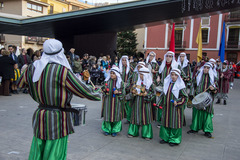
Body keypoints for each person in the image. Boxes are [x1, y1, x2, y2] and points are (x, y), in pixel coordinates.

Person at [17, 39, 101, 160]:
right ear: (60, 53)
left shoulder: (32, 68)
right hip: (57, 118)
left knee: (38, 148)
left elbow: (20, 83)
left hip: (40, 114)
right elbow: (83, 90)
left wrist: (36, 89)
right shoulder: (62, 71)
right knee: (55, 152)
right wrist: (98, 93)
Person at [158, 69, 188, 146]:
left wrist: (177, 102)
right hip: (166, 107)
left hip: (176, 109)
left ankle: (174, 139)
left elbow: (185, 97)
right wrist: (158, 103)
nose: (173, 76)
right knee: (165, 121)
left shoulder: (180, 85)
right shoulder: (168, 83)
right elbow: (163, 94)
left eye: (175, 75)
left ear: (178, 76)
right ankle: (165, 137)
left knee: (175, 123)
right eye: (172, 75)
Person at [187, 62, 218, 138]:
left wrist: (213, 89)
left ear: (210, 69)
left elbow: (216, 89)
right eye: (205, 67)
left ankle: (207, 130)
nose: (205, 69)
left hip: (208, 99)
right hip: (198, 98)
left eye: (207, 68)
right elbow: (193, 85)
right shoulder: (198, 76)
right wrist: (191, 95)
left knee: (207, 114)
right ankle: (194, 128)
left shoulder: (213, 78)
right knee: (197, 113)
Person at [157, 51, 183, 128]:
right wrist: (158, 77)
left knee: (172, 106)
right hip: (163, 86)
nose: (168, 58)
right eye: (167, 56)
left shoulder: (176, 66)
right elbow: (159, 73)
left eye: (170, 56)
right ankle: (161, 121)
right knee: (161, 103)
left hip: (173, 86)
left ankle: (174, 122)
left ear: (173, 58)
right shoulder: (162, 65)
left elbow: (181, 75)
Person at [127, 67, 155, 141]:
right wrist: (133, 93)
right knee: (135, 116)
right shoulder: (137, 82)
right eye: (140, 74)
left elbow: (153, 94)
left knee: (146, 117)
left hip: (146, 103)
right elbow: (132, 91)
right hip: (137, 102)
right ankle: (133, 132)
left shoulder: (150, 84)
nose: (140, 76)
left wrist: (147, 95)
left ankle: (147, 134)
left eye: (142, 74)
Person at [101, 67, 124, 137]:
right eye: (111, 73)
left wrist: (118, 92)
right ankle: (107, 129)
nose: (112, 75)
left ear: (117, 74)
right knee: (108, 115)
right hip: (108, 101)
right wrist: (104, 91)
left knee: (116, 115)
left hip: (117, 102)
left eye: (113, 73)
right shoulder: (107, 81)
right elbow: (102, 89)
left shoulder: (120, 82)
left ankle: (115, 130)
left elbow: (123, 92)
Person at [119, 55, 132, 123]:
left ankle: (129, 117)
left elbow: (132, 78)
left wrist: (127, 84)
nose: (124, 62)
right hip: (121, 87)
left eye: (125, 60)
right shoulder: (119, 68)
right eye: (122, 60)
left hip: (128, 88)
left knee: (128, 103)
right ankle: (123, 115)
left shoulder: (131, 68)